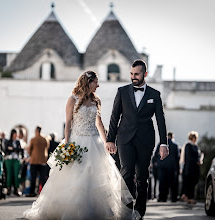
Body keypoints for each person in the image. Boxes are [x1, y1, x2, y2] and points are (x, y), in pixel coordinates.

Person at [23, 71, 140, 220]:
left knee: (96, 178)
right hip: (77, 142)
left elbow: (99, 123)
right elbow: (68, 123)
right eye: (95, 82)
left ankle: (96, 211)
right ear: (88, 82)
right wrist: (67, 144)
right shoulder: (72, 99)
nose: (98, 85)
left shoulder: (97, 100)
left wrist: (106, 142)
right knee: (75, 177)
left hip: (95, 142)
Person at [105, 59, 168, 218]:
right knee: (126, 173)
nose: (133, 77)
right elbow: (114, 117)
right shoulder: (122, 91)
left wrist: (163, 143)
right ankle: (126, 212)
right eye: (131, 74)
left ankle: (139, 212)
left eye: (137, 74)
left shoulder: (155, 94)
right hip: (124, 138)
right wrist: (110, 139)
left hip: (145, 141)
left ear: (145, 74)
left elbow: (160, 119)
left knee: (142, 178)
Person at [156, 131, 179, 202]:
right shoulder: (175, 145)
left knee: (162, 182)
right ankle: (173, 198)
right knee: (172, 183)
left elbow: (156, 154)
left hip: (162, 165)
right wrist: (177, 169)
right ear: (172, 137)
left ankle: (162, 197)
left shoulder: (161, 144)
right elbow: (177, 157)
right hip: (171, 166)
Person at [180, 131, 202, 204]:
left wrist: (199, 160)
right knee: (189, 183)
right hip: (189, 168)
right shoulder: (188, 145)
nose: (195, 139)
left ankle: (186, 196)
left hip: (195, 168)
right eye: (194, 137)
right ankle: (189, 197)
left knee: (193, 182)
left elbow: (198, 155)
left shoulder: (196, 146)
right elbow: (188, 157)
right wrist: (196, 161)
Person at [27, 126, 48, 197]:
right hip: (42, 160)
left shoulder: (33, 139)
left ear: (36, 131)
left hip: (34, 161)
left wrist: (31, 155)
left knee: (33, 178)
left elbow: (29, 150)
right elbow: (47, 148)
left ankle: (32, 192)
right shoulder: (45, 139)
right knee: (43, 178)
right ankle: (44, 192)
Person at [5, 129, 23, 196]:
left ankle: (16, 189)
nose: (16, 136)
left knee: (16, 174)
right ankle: (8, 188)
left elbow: (20, 150)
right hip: (9, 159)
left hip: (16, 159)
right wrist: (15, 149)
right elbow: (6, 149)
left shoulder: (18, 142)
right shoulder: (8, 141)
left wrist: (12, 149)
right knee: (9, 174)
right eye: (14, 134)